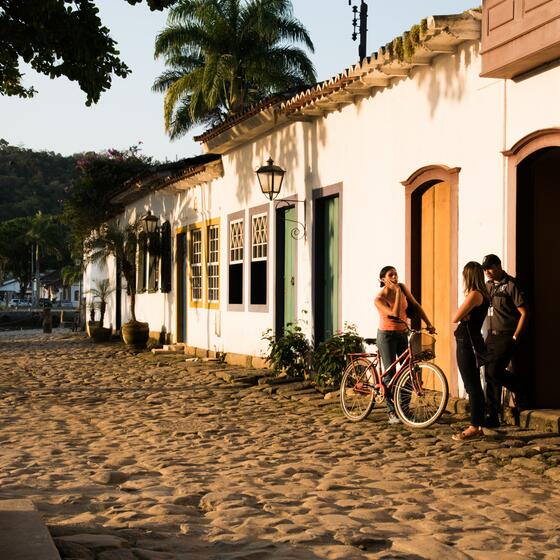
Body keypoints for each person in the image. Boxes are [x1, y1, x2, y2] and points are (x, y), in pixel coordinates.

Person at [374, 266, 435, 424]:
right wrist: (398, 293)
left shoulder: (402, 288)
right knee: (391, 374)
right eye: (390, 275)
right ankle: (392, 412)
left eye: (396, 273)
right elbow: (394, 313)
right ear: (383, 279)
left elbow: (416, 306)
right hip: (386, 336)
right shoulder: (379, 299)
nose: (395, 277)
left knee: (409, 370)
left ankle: (404, 410)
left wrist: (429, 323)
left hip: (402, 334)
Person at [481, 254, 528, 427]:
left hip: (506, 335)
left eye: (490, 267)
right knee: (489, 375)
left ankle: (521, 390)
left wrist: (515, 336)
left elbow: (524, 313)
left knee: (494, 371)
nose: (487, 272)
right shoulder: (486, 287)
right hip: (490, 336)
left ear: (499, 266)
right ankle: (492, 415)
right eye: (485, 269)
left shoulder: (511, 284)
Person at [451, 262, 490, 441]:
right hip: (470, 340)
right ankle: (478, 424)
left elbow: (455, 317)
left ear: (469, 276)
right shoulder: (481, 294)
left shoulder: (474, 294)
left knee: (472, 385)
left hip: (468, 343)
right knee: (474, 384)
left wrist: (463, 313)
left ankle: (474, 427)